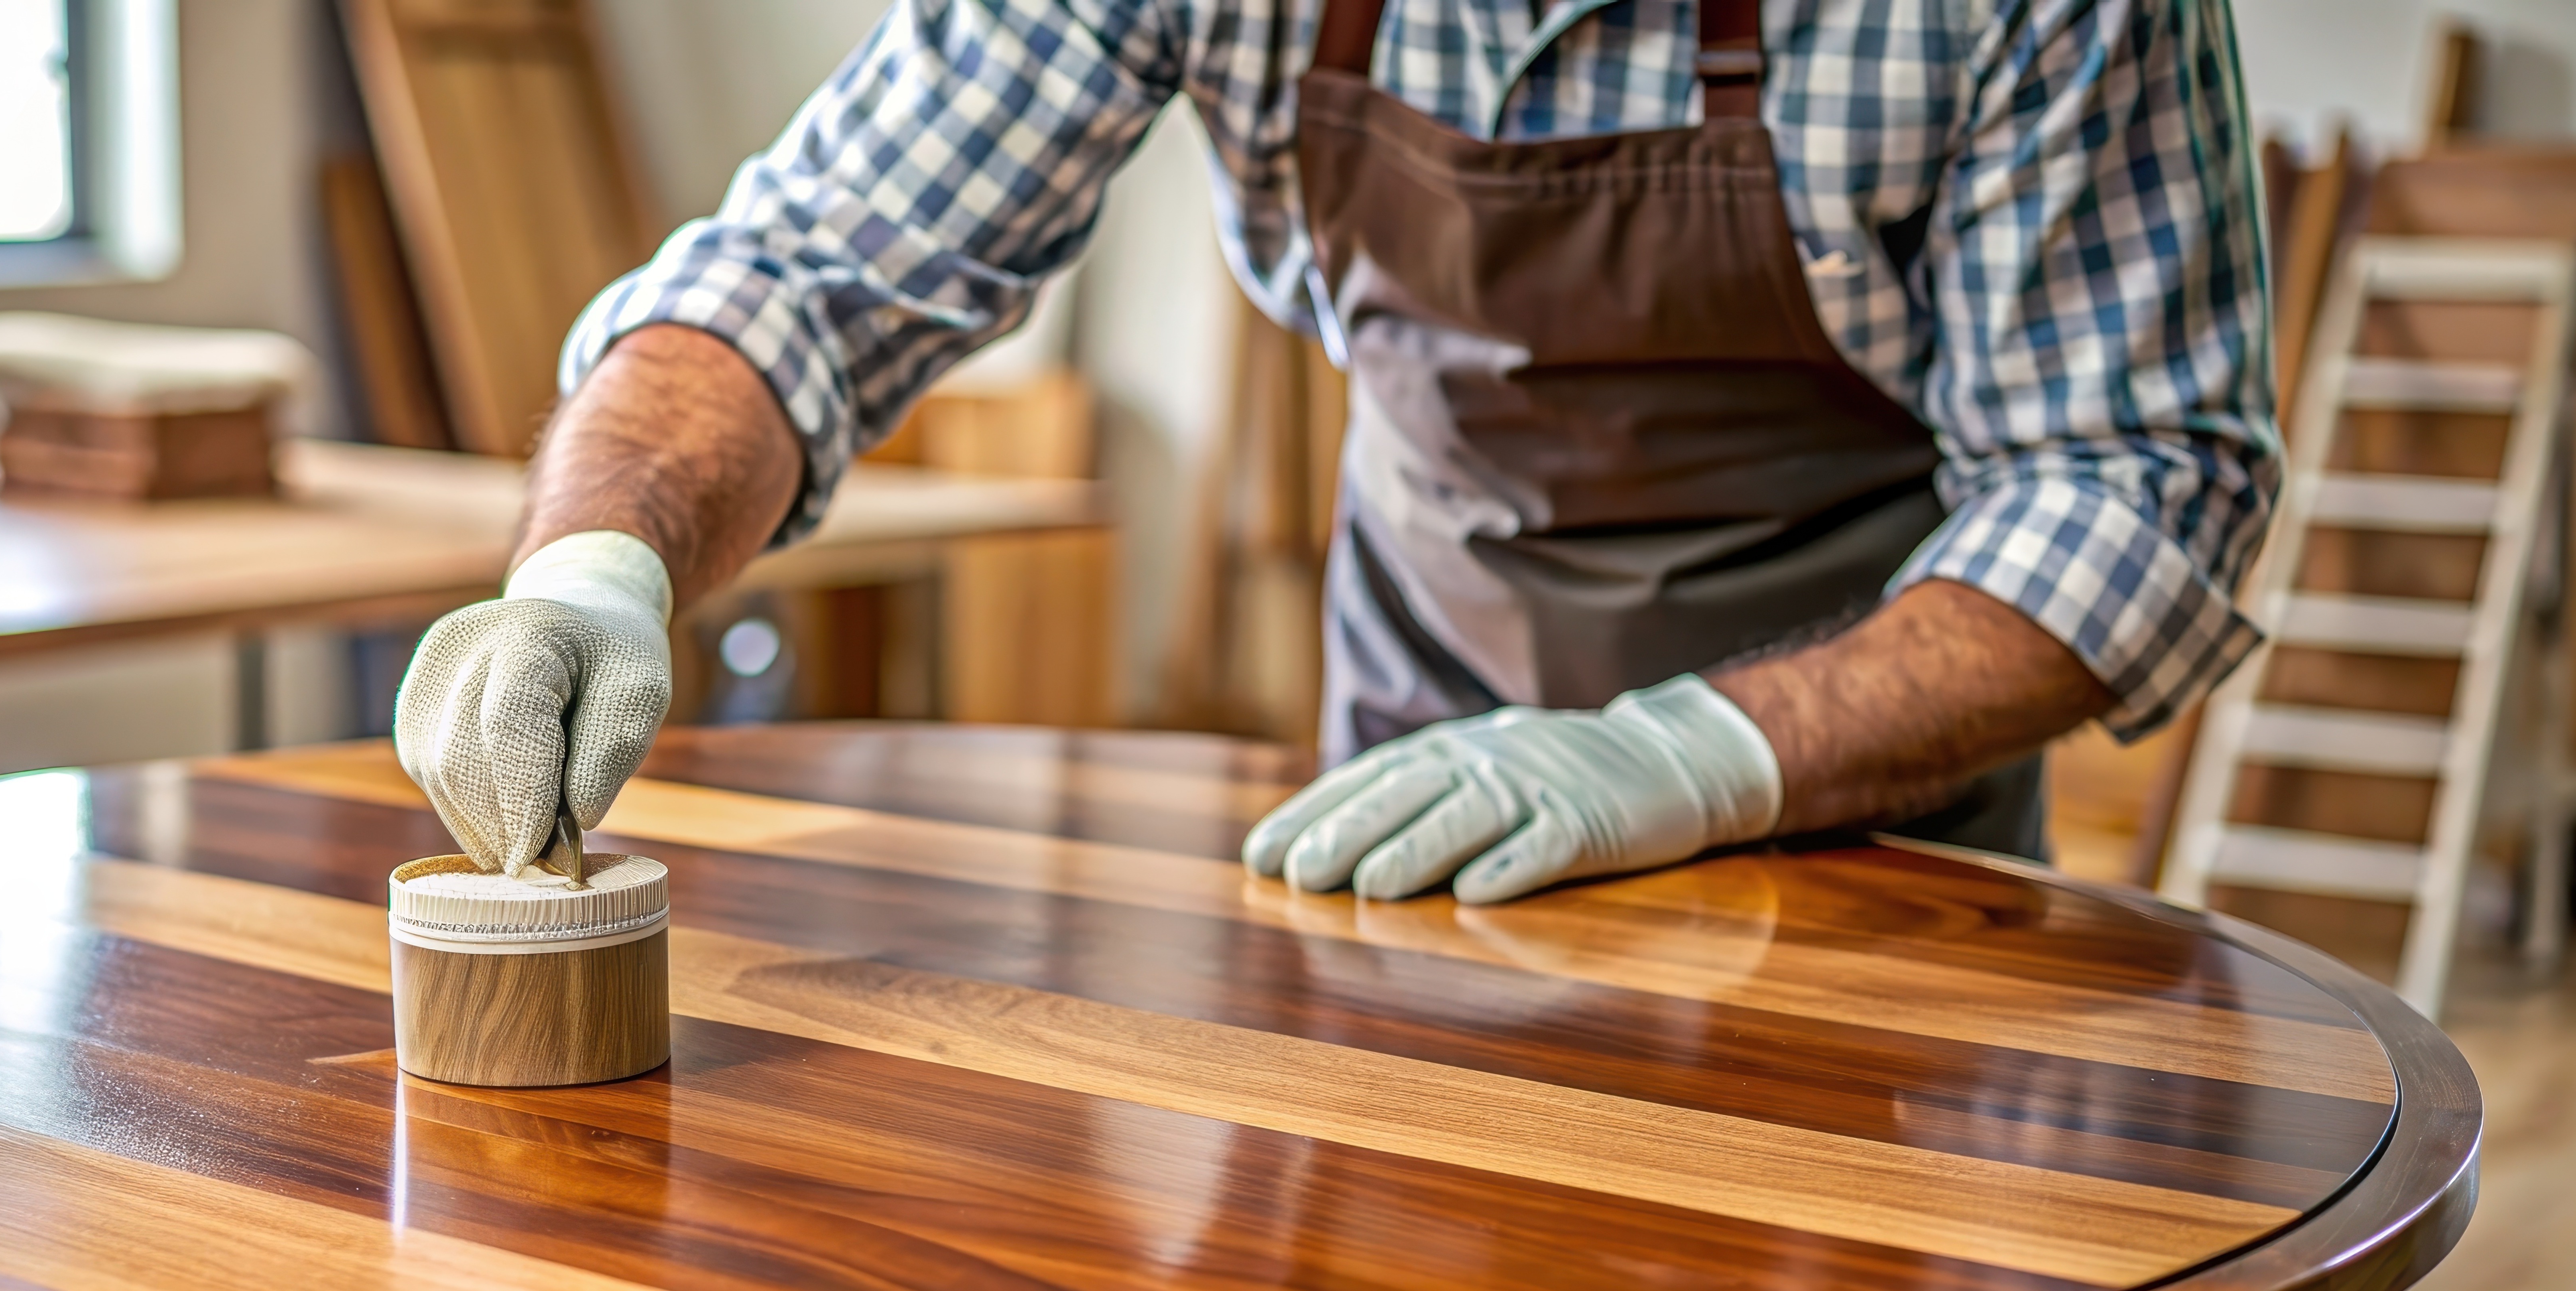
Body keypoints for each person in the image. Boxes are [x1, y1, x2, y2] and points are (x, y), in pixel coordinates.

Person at [393, 0, 2277, 904]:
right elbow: (817, 268)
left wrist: (1686, 754)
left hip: (1871, 854)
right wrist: (597, 558)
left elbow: (2139, 486)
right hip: (1400, 820)